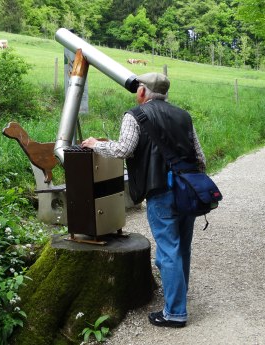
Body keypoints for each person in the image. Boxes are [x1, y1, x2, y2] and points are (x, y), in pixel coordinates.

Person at [81, 72, 206, 328]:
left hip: (159, 191)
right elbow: (200, 158)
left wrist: (95, 144)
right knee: (182, 248)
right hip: (187, 190)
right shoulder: (184, 116)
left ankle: (175, 313)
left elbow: (123, 149)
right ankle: (177, 300)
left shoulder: (134, 116)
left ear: (141, 92)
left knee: (169, 250)